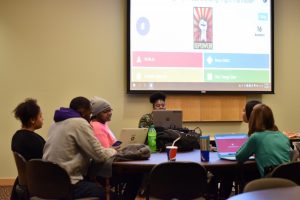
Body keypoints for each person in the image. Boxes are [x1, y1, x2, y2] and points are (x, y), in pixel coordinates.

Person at [43, 96, 117, 199]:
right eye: (89, 113)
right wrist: (113, 151)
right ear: (82, 111)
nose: (90, 117)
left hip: (48, 182)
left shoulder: (55, 122)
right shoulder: (79, 122)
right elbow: (99, 155)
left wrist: (106, 150)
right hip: (67, 183)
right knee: (102, 192)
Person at [236, 104, 291, 177]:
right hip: (289, 180)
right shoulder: (284, 137)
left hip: (271, 182)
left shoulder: (256, 137)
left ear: (253, 119)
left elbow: (239, 157)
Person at [11, 98, 45, 200]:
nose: (43, 119)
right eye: (40, 116)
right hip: (39, 183)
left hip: (23, 182)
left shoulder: (16, 136)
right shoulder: (36, 141)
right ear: (32, 120)